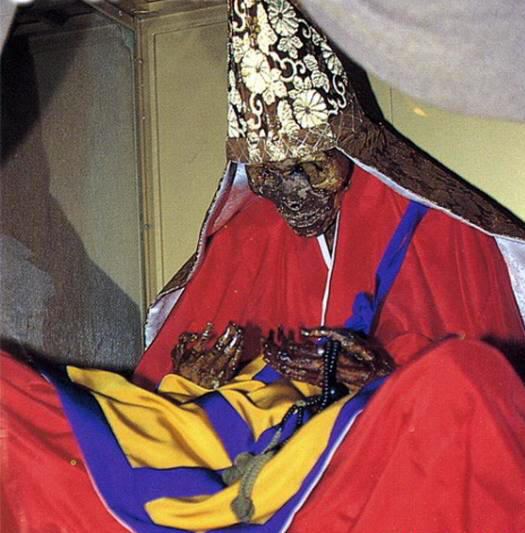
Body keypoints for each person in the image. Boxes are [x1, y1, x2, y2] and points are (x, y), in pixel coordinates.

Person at [3, 1, 525, 531]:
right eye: (268, 176)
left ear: (351, 149)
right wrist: (190, 378)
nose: (291, 193)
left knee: (455, 384)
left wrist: (384, 378)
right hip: (251, 449)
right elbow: (173, 397)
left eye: (307, 166)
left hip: (364, 449)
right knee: (28, 415)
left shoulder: (440, 229)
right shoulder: (250, 232)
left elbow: (481, 390)